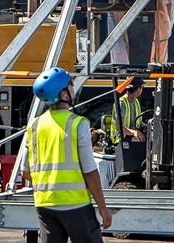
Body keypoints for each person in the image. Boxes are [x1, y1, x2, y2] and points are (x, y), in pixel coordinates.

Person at [21, 67, 112, 243]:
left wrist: (52, 183)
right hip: (75, 204)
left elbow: (25, 173)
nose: (73, 88)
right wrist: (103, 208)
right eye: (70, 84)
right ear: (63, 94)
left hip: (44, 204)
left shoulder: (33, 126)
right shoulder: (77, 124)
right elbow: (90, 171)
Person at [109, 77, 144, 144]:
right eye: (142, 87)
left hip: (129, 134)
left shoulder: (136, 102)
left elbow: (137, 121)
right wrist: (134, 132)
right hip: (119, 137)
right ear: (138, 89)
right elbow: (119, 128)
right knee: (138, 140)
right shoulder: (121, 103)